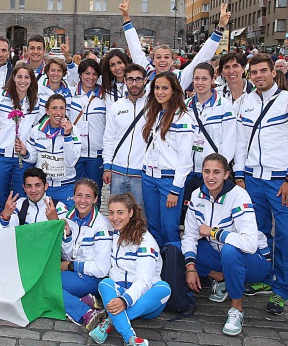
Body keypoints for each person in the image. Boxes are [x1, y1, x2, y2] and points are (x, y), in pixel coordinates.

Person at [234, 53, 288, 316]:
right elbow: (240, 143)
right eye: (254, 72)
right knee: (258, 232)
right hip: (252, 178)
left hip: (280, 180)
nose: (259, 76)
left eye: (263, 71)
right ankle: (263, 276)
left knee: (286, 234)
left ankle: (282, 289)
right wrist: (239, 176)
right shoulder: (245, 101)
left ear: (274, 72)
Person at [182, 154, 272, 336]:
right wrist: (190, 268)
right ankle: (222, 278)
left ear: (226, 175)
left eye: (216, 172)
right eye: (206, 171)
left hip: (254, 262)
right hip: (220, 254)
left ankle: (237, 309)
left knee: (230, 251)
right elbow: (190, 236)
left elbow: (249, 244)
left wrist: (214, 232)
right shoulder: (196, 195)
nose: (210, 177)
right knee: (176, 248)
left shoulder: (239, 195)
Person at [88, 193, 169, 346]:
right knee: (105, 284)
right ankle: (132, 340)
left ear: (131, 213)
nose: (114, 218)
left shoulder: (145, 241)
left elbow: (144, 281)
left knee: (164, 288)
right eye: (111, 213)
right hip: (120, 292)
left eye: (120, 212)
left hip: (146, 299)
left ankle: (109, 323)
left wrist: (124, 301)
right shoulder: (112, 233)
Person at [141, 71, 194, 247]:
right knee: (153, 227)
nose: (160, 92)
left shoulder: (183, 118)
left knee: (169, 228)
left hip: (169, 180)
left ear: (174, 90)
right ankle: (156, 261)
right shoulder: (154, 113)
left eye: (165, 88)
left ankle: (173, 262)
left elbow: (185, 159)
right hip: (149, 177)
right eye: (157, 88)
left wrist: (175, 189)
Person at [58, 179, 112, 330]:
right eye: (79, 195)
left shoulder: (102, 226)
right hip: (74, 272)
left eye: (88, 196)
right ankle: (85, 301)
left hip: (92, 277)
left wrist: (70, 265)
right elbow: (67, 254)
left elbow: (101, 269)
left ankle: (86, 313)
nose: (82, 201)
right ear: (73, 197)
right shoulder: (69, 217)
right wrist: (67, 236)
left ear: (95, 199)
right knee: (46, 281)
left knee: (50, 284)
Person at [183, 63, 236, 209]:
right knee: (189, 213)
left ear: (212, 79)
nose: (200, 83)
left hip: (211, 173)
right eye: (196, 79)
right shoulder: (185, 106)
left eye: (204, 79)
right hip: (189, 172)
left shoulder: (224, 106)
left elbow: (229, 141)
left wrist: (218, 170)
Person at [0, 64, 40, 209]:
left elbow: (36, 129)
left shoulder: (35, 101)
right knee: (0, 195)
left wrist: (28, 151)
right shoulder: (1, 96)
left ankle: (19, 221)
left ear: (31, 80)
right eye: (19, 77)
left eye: (27, 77)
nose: (22, 81)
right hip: (1, 155)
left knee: (21, 198)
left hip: (22, 158)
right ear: (13, 77)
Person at [21, 94, 81, 208]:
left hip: (65, 185)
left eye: (62, 108)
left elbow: (71, 162)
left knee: (67, 217)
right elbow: (32, 159)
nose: (58, 112)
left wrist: (67, 136)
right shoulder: (36, 131)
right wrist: (25, 153)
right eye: (54, 108)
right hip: (43, 187)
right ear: (47, 111)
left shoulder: (74, 131)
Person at [102, 64, 148, 208]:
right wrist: (107, 166)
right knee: (117, 213)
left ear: (145, 80)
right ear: (125, 81)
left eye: (138, 79)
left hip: (141, 174)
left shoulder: (153, 106)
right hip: (117, 172)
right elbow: (109, 138)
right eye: (130, 79)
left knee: (140, 215)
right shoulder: (117, 106)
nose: (134, 84)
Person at [67, 59, 106, 196]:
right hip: (75, 154)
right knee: (74, 193)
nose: (91, 77)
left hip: (96, 156)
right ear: (80, 74)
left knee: (94, 193)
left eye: (94, 74)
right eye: (87, 73)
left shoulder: (105, 96)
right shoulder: (70, 93)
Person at [0, 167, 69, 225]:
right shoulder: (19, 205)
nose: (33, 190)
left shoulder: (58, 207)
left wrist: (55, 221)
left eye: (37, 185)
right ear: (24, 188)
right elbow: (6, 232)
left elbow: (68, 235)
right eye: (29, 186)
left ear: (46, 186)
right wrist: (6, 216)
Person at [216, 53, 254, 124]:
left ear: (243, 69)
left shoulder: (256, 92)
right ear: (222, 72)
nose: (231, 71)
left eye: (235, 66)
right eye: (227, 67)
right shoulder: (216, 94)